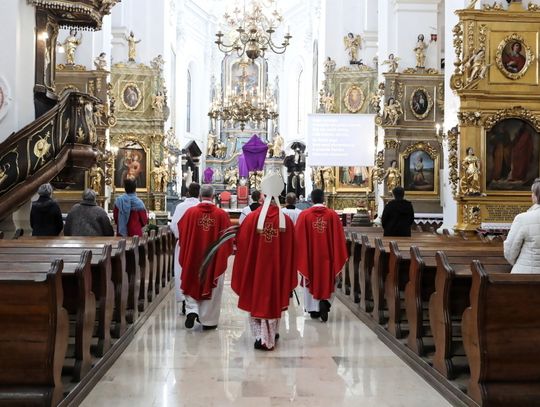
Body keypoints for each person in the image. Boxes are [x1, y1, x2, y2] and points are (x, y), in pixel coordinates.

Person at [232, 173, 296, 350]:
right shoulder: (287, 222)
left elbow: (242, 246)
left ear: (264, 195)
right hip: (277, 270)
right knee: (274, 296)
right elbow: (291, 249)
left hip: (256, 270)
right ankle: (272, 333)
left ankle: (260, 336)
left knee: (256, 296)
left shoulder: (252, 219)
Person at [179, 185, 232, 330]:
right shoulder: (221, 215)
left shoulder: (190, 213)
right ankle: (208, 321)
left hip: (193, 255)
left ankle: (192, 310)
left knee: (192, 278)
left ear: (201, 196)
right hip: (213, 259)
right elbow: (228, 239)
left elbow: (181, 231)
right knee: (212, 283)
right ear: (214, 196)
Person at [295, 189, 348, 322]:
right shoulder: (332, 215)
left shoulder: (304, 215)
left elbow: (298, 239)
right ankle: (325, 302)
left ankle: (313, 310)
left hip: (310, 258)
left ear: (311, 199)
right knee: (329, 278)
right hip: (328, 258)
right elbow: (339, 239)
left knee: (310, 278)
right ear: (323, 199)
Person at [170, 183, 201, 313]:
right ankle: (196, 302)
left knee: (181, 271)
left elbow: (174, 225)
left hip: (183, 244)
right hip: (199, 246)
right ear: (199, 193)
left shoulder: (180, 206)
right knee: (197, 273)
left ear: (188, 192)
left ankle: (184, 301)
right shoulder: (200, 206)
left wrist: (180, 236)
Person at [504, 179, 540, 274]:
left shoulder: (523, 218)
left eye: (533, 193)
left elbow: (510, 252)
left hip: (525, 275)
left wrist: (521, 263)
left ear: (536, 196)